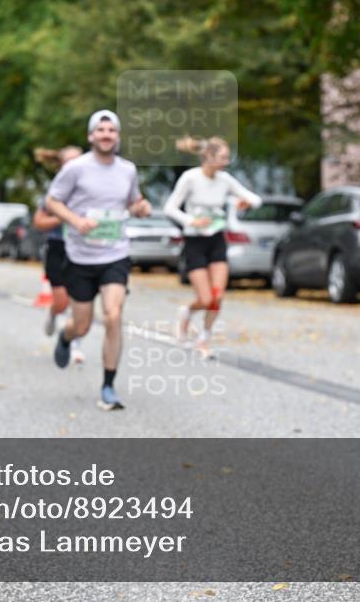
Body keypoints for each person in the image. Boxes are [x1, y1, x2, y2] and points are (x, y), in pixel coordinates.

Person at [46, 110, 152, 410]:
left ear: (117, 136)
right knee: (82, 325)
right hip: (80, 256)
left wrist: (142, 208)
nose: (106, 135)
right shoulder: (75, 169)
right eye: (101, 130)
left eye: (112, 130)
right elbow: (52, 201)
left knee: (113, 315)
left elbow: (133, 202)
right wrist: (75, 221)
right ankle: (67, 337)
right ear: (91, 136)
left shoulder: (128, 170)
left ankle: (108, 386)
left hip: (115, 253)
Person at [164, 136, 262, 358]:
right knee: (206, 298)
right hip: (194, 242)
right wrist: (191, 221)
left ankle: (204, 339)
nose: (226, 162)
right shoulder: (190, 178)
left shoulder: (225, 180)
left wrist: (244, 202)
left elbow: (255, 199)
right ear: (208, 157)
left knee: (218, 296)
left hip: (216, 241)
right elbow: (170, 208)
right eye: (223, 157)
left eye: (227, 158)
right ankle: (187, 312)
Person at [33, 146, 85, 366]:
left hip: (83, 249)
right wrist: (65, 219)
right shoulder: (55, 192)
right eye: (69, 162)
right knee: (62, 301)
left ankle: (74, 345)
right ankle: (54, 314)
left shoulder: (91, 190)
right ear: (61, 165)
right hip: (58, 247)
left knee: (80, 300)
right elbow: (39, 222)